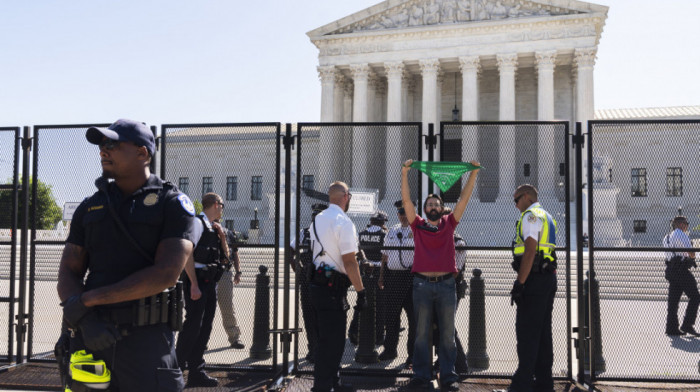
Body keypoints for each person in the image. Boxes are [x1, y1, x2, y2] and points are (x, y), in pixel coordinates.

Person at [57, 119, 197, 391]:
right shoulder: (90, 206)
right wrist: (86, 321)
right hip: (92, 336)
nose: (102, 151)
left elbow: (166, 274)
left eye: (111, 144)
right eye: (101, 145)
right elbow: (68, 271)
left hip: (146, 340)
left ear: (142, 153)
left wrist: (88, 300)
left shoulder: (172, 203)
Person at [401, 158, 480, 391]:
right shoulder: (417, 224)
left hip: (446, 285)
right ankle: (422, 375)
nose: (433, 206)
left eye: (437, 204)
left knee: (447, 335)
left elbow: (463, 200)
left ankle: (448, 375)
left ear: (441, 207)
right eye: (430, 204)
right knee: (421, 334)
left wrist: (472, 174)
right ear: (425, 209)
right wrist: (405, 174)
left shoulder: (449, 223)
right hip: (422, 284)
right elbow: (406, 200)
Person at [309, 181, 366, 392]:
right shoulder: (343, 222)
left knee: (325, 339)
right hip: (333, 288)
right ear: (345, 196)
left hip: (317, 284)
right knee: (333, 343)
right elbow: (350, 261)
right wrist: (361, 292)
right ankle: (322, 386)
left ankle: (332, 382)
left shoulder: (317, 220)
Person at [176, 192, 230, 387]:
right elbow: (187, 254)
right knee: (193, 326)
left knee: (205, 327)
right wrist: (194, 285)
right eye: (221, 205)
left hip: (209, 283)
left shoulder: (214, 228)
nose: (223, 208)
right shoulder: (198, 223)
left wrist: (222, 237)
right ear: (215, 204)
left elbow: (226, 256)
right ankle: (177, 369)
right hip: (197, 282)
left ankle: (196, 370)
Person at [508, 184, 558, 392]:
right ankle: (544, 382)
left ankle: (522, 385)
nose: (515, 205)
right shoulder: (547, 216)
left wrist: (520, 283)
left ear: (526, 197)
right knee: (543, 333)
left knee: (527, 333)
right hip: (547, 278)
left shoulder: (531, 216)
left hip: (534, 280)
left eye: (516, 200)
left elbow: (530, 251)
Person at [288, 203, 328, 363]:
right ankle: (313, 349)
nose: (314, 218)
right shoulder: (304, 232)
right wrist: (295, 266)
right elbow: (291, 249)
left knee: (322, 315)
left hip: (323, 278)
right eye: (314, 216)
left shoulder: (328, 233)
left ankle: (322, 349)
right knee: (308, 314)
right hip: (306, 278)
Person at [378, 200, 415, 367]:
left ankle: (413, 355)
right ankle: (390, 349)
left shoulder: (418, 231)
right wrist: (381, 276)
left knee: (414, 319)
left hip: (411, 278)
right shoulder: (391, 231)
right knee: (391, 317)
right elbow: (384, 256)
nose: (403, 216)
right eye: (400, 213)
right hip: (393, 278)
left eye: (406, 213)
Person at [349, 211, 388, 346]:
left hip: (363, 270)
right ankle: (378, 335)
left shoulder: (361, 234)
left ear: (371, 221)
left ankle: (354, 331)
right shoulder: (385, 235)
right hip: (378, 271)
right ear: (383, 223)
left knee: (362, 299)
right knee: (380, 303)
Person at [662, 216, 699, 336]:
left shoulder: (666, 238)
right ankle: (687, 324)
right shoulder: (681, 234)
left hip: (671, 270)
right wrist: (692, 258)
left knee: (673, 301)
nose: (687, 226)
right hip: (681, 270)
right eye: (686, 223)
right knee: (695, 296)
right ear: (681, 224)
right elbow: (691, 253)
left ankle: (671, 328)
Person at [215, 220, 245, 349]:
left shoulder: (228, 233)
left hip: (224, 272)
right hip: (206, 273)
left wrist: (238, 272)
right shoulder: (202, 229)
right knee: (204, 309)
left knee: (227, 308)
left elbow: (235, 253)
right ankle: (201, 339)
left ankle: (234, 338)